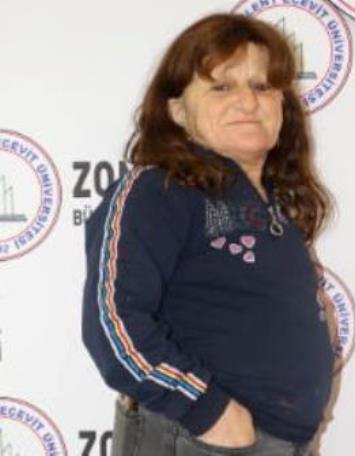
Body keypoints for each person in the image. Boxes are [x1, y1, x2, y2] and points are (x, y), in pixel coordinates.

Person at [82, 12, 335, 456]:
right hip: (205, 440)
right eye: (221, 87)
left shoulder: (273, 205)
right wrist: (209, 411)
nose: (248, 102)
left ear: (283, 107)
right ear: (177, 110)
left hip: (281, 442)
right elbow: (113, 323)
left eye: (262, 86)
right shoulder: (158, 189)